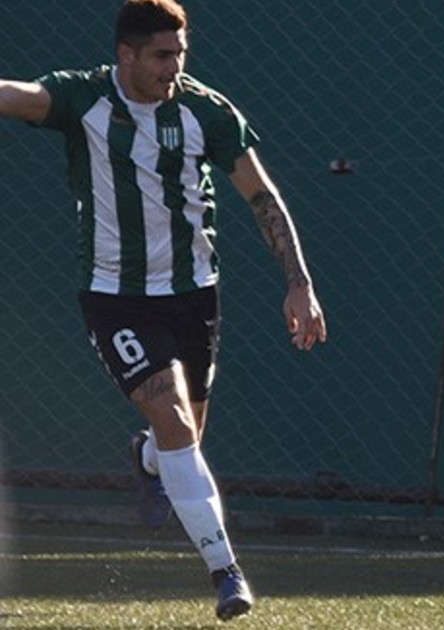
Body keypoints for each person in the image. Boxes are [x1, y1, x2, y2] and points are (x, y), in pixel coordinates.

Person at [0, 0, 328, 620]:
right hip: (114, 296)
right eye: (161, 55)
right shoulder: (83, 99)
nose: (173, 66)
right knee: (174, 419)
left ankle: (148, 457)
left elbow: (261, 197)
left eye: (180, 53)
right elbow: (15, 96)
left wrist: (299, 283)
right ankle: (226, 572)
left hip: (193, 292)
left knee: (185, 437)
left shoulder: (207, 112)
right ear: (125, 55)